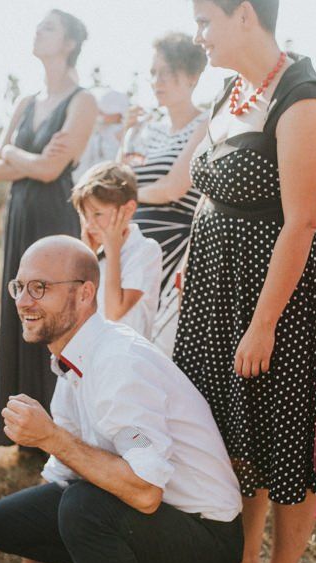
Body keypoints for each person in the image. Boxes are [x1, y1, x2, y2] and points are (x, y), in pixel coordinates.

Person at [0, 236, 243, 563]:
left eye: (40, 288)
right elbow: (61, 472)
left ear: (84, 293)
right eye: (19, 286)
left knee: (84, 509)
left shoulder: (119, 362)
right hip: (156, 517)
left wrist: (49, 437)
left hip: (207, 539)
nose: (24, 301)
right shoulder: (74, 356)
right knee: (6, 523)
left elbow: (145, 492)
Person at [176, 0, 316, 563]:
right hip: (216, 289)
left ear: (245, 14)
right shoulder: (228, 91)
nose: (199, 36)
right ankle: (244, 560)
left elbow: (301, 222)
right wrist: (197, 266)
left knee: (283, 437)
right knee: (234, 434)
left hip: (278, 299)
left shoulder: (302, 97)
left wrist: (264, 321)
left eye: (205, 21)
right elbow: (209, 192)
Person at [0, 9, 99, 446]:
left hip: (55, 213)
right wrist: (30, 162)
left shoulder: (83, 101)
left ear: (70, 42)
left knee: (55, 309)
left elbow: (55, 167)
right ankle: (21, 424)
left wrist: (19, 157)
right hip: (20, 212)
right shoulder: (24, 103)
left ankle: (60, 425)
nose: (37, 31)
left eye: (48, 27)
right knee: (21, 305)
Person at [125, 32, 209, 355]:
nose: (156, 81)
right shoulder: (150, 130)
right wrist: (127, 135)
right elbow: (120, 177)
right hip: (134, 246)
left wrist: (126, 197)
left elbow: (174, 187)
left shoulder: (205, 123)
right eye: (153, 73)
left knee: (161, 346)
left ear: (191, 76)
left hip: (174, 248)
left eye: (167, 73)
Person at [71, 162, 161, 338]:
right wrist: (89, 257)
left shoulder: (145, 250)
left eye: (97, 214)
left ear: (128, 210)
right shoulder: (93, 251)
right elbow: (76, 309)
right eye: (84, 215)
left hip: (128, 358)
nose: (89, 225)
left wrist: (113, 251)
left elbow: (114, 312)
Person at [72, 88, 129, 182]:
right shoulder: (95, 129)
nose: (101, 114)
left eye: (105, 111)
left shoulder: (125, 133)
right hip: (88, 181)